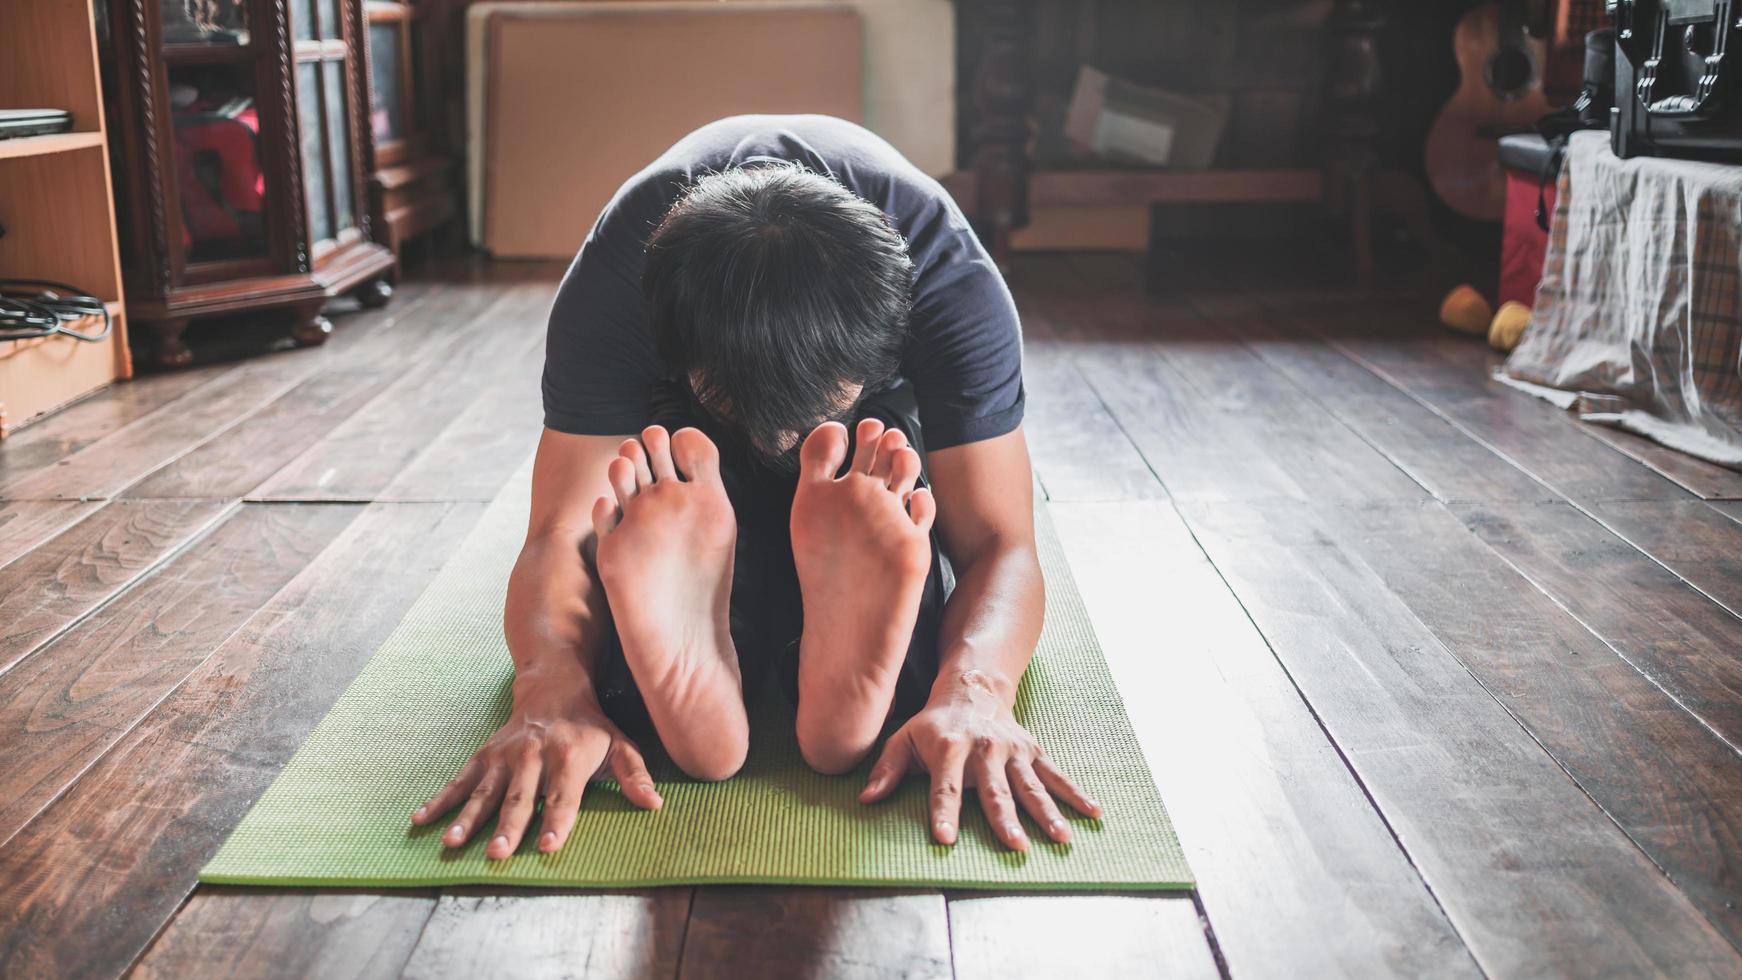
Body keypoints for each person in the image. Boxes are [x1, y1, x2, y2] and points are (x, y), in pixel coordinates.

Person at [411, 114, 1101, 860]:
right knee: (642, 521)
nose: (778, 443)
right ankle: (726, 634)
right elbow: (559, 529)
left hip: (861, 450)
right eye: (753, 412)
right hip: (692, 445)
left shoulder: (949, 284)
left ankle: (810, 628)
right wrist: (552, 686)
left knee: (898, 515)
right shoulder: (621, 280)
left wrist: (976, 687)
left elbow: (1001, 541)